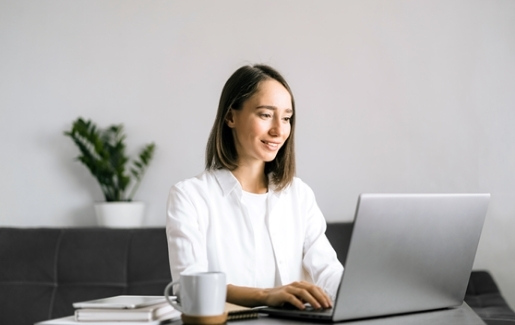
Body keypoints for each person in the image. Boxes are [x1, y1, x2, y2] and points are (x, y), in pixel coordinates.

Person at [166, 64, 343, 310]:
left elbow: (328, 271)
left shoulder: (298, 195)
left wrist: (361, 292)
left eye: (286, 118)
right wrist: (266, 295)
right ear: (230, 117)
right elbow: (190, 288)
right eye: (265, 114)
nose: (279, 130)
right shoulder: (190, 196)